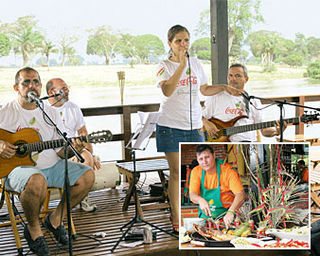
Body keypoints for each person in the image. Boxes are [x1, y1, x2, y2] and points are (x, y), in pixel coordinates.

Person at [0, 67, 95, 255]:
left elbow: (61, 152)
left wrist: (75, 147)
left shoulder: (50, 113)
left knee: (87, 176)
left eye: (36, 82)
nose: (31, 86)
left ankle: (55, 220)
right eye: (26, 82)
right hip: (17, 169)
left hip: (52, 166)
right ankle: (34, 230)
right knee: (37, 180)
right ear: (16, 87)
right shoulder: (6, 111)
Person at [156, 24, 231, 233]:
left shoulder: (196, 63)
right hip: (170, 126)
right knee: (175, 173)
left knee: (202, 171)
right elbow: (168, 90)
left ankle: (207, 215)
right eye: (179, 40)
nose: (183, 44)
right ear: (169, 42)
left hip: (194, 126)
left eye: (186, 40)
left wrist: (223, 87)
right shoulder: (163, 66)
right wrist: (181, 64)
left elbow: (204, 89)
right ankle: (176, 216)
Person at [46, 78, 101, 212]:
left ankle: (82, 198)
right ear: (51, 92)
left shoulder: (73, 107)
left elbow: (83, 132)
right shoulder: (43, 109)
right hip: (50, 150)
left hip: (73, 146)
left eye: (67, 88)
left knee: (86, 157)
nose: (68, 91)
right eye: (63, 88)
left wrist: (91, 155)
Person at [202, 63, 284, 142]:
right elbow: (198, 117)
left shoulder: (252, 100)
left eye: (237, 76)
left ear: (246, 79)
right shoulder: (215, 97)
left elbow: (264, 131)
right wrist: (206, 122)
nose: (233, 79)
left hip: (250, 142)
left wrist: (277, 131)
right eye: (230, 76)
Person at [189, 144, 245, 228]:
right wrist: (200, 200)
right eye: (201, 159)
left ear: (214, 155)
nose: (204, 161)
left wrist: (231, 212)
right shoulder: (196, 171)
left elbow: (241, 194)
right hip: (206, 218)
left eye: (207, 157)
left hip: (227, 217)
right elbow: (192, 195)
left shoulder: (228, 171)